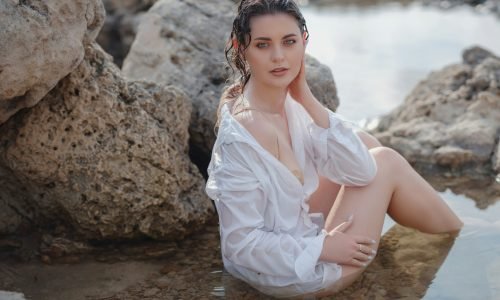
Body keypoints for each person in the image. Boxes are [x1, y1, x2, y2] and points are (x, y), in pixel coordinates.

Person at [205, 0, 463, 298]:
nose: (279, 57)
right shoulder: (243, 134)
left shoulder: (288, 103)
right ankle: (462, 238)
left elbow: (362, 170)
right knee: (387, 161)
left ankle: (450, 226)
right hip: (287, 278)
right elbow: (240, 245)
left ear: (304, 42)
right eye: (263, 45)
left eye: (289, 42)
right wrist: (323, 247)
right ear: (240, 47)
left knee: (365, 145)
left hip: (294, 237)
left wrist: (308, 100)